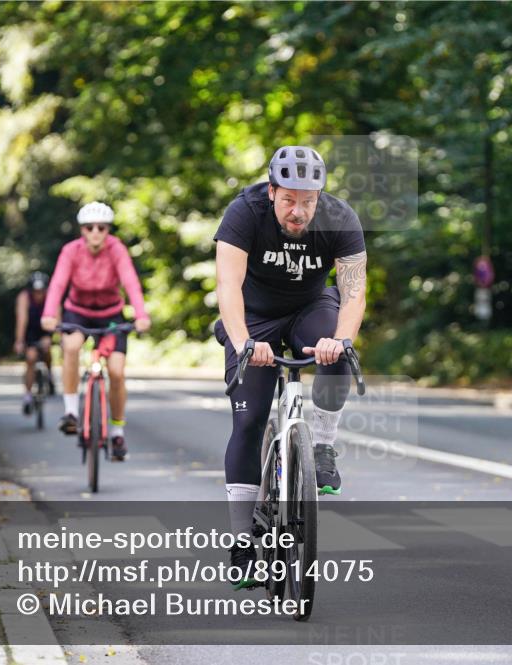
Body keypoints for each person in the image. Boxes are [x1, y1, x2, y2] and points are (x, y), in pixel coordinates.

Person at [212, 145, 367, 583]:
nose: (298, 211)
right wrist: (244, 342)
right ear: (271, 191)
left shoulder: (340, 218)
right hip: (253, 317)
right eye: (288, 200)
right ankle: (242, 544)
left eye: (308, 201)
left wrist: (340, 339)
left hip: (309, 308)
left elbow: (353, 292)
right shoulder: (244, 212)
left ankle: (322, 446)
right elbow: (228, 285)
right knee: (248, 421)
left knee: (338, 350)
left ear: (320, 197)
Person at [40, 201, 151, 461]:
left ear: (108, 230)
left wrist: (141, 314)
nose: (96, 232)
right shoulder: (71, 251)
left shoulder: (116, 249)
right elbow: (58, 283)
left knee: (116, 371)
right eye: (89, 228)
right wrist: (49, 313)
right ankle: (71, 412)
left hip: (111, 315)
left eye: (102, 227)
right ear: (82, 230)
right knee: (70, 347)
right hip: (77, 312)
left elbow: (130, 282)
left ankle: (117, 432)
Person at [14, 271, 55, 414]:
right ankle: (28, 395)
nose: (39, 295)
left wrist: (52, 336)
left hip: (46, 329)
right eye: (36, 291)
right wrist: (19, 341)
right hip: (30, 331)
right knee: (30, 358)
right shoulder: (24, 297)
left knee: (47, 351)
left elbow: (57, 317)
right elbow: (21, 319)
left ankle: (49, 375)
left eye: (41, 291)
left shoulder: (51, 296)